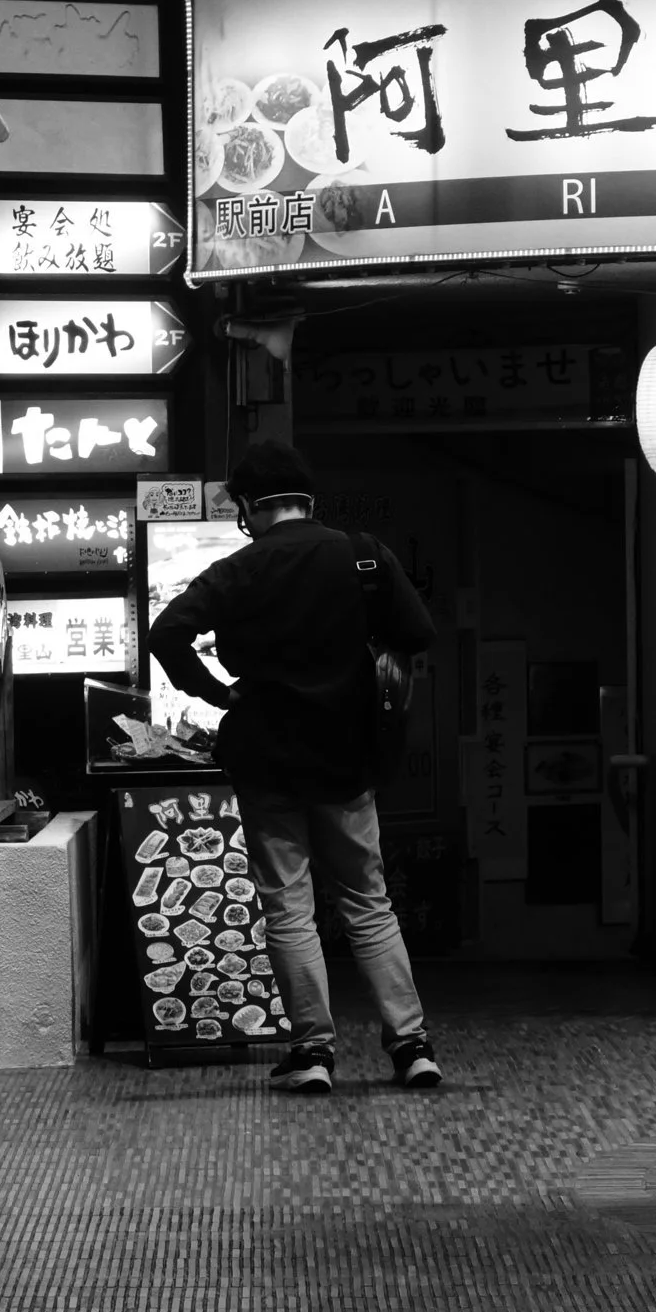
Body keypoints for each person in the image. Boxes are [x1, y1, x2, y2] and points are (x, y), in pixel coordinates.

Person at [147, 439, 441, 1095]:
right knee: (369, 901)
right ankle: (412, 1044)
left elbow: (166, 632)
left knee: (288, 906)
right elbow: (418, 634)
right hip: (347, 757)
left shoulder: (241, 569)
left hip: (268, 759)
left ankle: (312, 1052)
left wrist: (218, 693)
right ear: (307, 500)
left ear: (251, 506)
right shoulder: (363, 554)